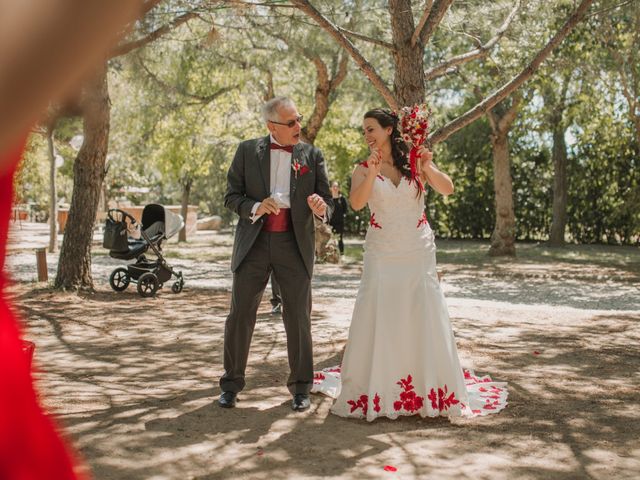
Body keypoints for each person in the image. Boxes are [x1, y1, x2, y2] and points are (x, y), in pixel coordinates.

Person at [312, 109, 508, 420]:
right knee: (381, 312)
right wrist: (373, 169)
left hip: (417, 250)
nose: (367, 135)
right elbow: (358, 203)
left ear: (389, 130)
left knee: (421, 311)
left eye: (372, 129)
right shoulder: (362, 169)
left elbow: (448, 189)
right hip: (382, 252)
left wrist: (428, 165)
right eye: (364, 131)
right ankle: (379, 387)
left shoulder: (415, 161)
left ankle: (426, 387)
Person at [219, 96, 333, 412]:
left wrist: (322, 208)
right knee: (240, 315)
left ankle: (300, 389)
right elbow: (230, 197)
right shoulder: (246, 151)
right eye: (291, 122)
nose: (299, 126)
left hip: (294, 246)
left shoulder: (312, 155)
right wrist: (255, 206)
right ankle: (230, 385)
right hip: (253, 244)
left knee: (298, 317)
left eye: (299, 119)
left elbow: (327, 200)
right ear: (272, 126)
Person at [329, 181, 348, 255]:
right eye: (333, 186)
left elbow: (345, 210)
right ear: (331, 188)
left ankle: (342, 254)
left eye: (336, 186)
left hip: (340, 223)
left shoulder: (342, 199)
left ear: (339, 188)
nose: (335, 188)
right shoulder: (329, 199)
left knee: (340, 239)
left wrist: (342, 217)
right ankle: (331, 256)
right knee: (331, 239)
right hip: (330, 222)